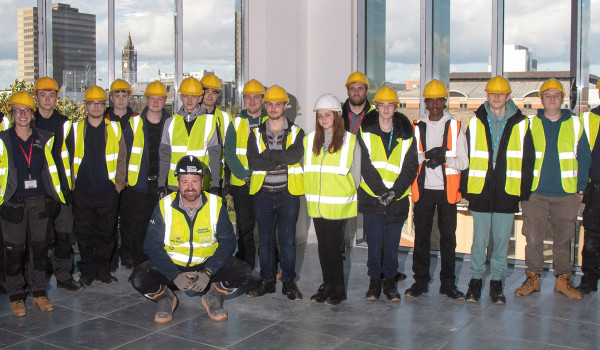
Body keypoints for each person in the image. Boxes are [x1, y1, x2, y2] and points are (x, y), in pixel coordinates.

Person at [130, 156, 251, 323]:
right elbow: (151, 246)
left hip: (205, 265)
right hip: (173, 266)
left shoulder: (215, 205)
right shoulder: (164, 206)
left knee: (243, 271)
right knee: (139, 277)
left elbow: (228, 242)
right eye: (185, 182)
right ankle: (166, 298)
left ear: (202, 182)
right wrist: (174, 275)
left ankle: (213, 296)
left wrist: (208, 272)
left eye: (194, 181)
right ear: (178, 182)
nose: (190, 188)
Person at [460, 75, 535, 304]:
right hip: (480, 189)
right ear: (487, 96)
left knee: (502, 240)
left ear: (508, 97)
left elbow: (528, 160)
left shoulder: (521, 124)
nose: (496, 97)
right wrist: (466, 188)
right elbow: (466, 156)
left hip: (507, 190)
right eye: (492, 93)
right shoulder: (475, 121)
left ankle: (496, 282)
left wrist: (523, 191)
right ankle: (475, 281)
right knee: (479, 239)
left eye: (500, 94)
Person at [515, 78, 590, 300]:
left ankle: (563, 281)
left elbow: (584, 156)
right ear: (541, 99)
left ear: (562, 99)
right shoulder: (529, 123)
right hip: (535, 193)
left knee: (563, 241)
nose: (552, 99)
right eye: (547, 96)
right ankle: (533, 279)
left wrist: (580, 187)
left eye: (556, 95)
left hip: (567, 194)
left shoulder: (576, 124)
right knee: (534, 239)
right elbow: (519, 157)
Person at [0, 91, 66, 316]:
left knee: (39, 250)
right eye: (17, 110)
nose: (22, 114)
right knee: (14, 250)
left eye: (26, 110)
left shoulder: (44, 138)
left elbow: (52, 169)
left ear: (32, 113)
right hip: (13, 203)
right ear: (12, 113)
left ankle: (39, 293)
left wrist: (54, 196)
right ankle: (17, 296)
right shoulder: (3, 140)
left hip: (39, 201)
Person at [406, 79, 468, 299]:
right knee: (421, 238)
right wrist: (427, 156)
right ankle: (420, 282)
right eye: (430, 101)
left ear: (444, 101)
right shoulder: (415, 126)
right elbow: (411, 158)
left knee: (448, 239)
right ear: (425, 102)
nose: (434, 105)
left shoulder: (455, 126)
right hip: (423, 191)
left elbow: (464, 162)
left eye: (438, 100)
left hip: (446, 192)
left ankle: (448, 284)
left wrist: (445, 159)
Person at [357, 86, 418, 302]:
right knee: (374, 244)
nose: (385, 109)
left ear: (396, 107)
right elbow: (364, 164)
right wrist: (382, 191)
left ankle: (390, 284)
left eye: (389, 105)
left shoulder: (407, 133)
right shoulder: (364, 130)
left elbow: (411, 166)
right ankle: (374, 283)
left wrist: (395, 191)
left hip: (397, 200)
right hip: (373, 197)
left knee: (392, 245)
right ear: (376, 107)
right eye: (381, 105)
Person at [245, 85, 305, 300]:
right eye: (269, 103)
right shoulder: (256, 133)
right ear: (265, 105)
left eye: (277, 103)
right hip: (263, 194)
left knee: (288, 241)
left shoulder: (297, 132)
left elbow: (293, 158)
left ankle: (289, 282)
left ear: (285, 105)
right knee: (266, 241)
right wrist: (279, 157)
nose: (273, 107)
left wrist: (269, 156)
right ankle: (267, 281)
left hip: (288, 195)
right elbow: (254, 162)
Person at [66, 85, 127, 286]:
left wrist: (117, 186)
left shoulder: (115, 129)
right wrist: (72, 186)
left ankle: (103, 271)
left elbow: (122, 159)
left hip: (107, 192)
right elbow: (66, 158)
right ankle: (87, 271)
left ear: (105, 106)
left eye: (99, 103)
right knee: (84, 235)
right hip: (82, 191)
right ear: (85, 106)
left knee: (107, 234)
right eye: (91, 103)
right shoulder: (74, 129)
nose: (96, 107)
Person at [304, 94, 360, 305]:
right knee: (323, 246)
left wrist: (342, 193)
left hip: (337, 204)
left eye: (328, 115)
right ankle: (327, 284)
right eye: (320, 116)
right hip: (317, 204)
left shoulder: (350, 140)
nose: (324, 119)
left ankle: (338, 289)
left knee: (335, 248)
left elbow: (356, 176)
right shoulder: (310, 140)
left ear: (337, 116)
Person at [32, 76, 83, 291]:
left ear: (56, 98)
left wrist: (72, 184)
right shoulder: (28, 121)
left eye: (51, 95)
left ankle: (64, 276)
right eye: (42, 95)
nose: (47, 100)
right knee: (37, 239)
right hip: (35, 190)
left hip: (61, 189)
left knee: (63, 237)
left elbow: (73, 155)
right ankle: (35, 280)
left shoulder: (64, 123)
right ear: (36, 97)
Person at [119, 81, 170, 268]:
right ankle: (141, 264)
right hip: (139, 184)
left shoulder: (173, 123)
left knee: (163, 227)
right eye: (152, 98)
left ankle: (161, 262)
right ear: (146, 99)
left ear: (165, 101)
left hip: (164, 184)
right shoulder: (134, 124)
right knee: (139, 226)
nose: (155, 102)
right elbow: (123, 155)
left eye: (160, 99)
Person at [224, 79, 268, 269]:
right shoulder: (236, 124)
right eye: (248, 98)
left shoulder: (270, 121)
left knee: (267, 229)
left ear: (263, 100)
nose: (251, 101)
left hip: (266, 184)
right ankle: (245, 267)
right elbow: (230, 155)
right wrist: (245, 175)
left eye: (255, 97)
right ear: (243, 100)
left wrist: (260, 176)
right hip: (242, 185)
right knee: (244, 229)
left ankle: (270, 267)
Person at [159, 76, 221, 195]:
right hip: (175, 184)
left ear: (200, 98)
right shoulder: (170, 122)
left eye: (193, 96)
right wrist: (161, 184)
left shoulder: (210, 122)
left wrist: (215, 185)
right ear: (180, 97)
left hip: (202, 184)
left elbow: (215, 157)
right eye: (186, 95)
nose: (189, 100)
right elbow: (164, 156)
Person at [106, 79, 138, 270]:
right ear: (111, 97)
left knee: (128, 221)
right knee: (108, 222)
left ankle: (127, 255)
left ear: (129, 97)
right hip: (109, 180)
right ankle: (109, 258)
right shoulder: (104, 119)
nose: (120, 99)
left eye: (123, 95)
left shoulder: (136, 119)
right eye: (116, 95)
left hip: (130, 181)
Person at [578, 103, 600, 294]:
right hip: (595, 188)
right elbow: (582, 155)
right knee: (592, 238)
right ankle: (589, 280)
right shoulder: (588, 119)